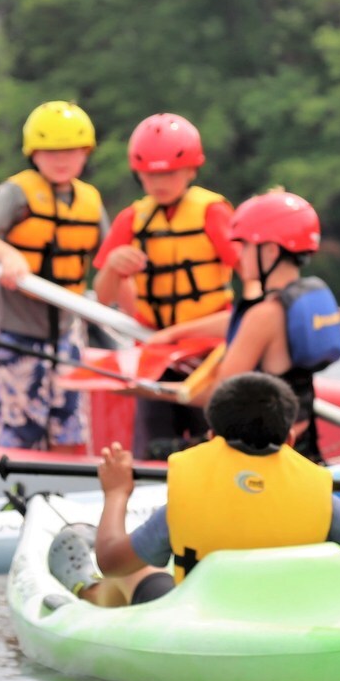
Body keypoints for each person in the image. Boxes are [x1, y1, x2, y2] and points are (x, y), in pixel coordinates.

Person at [72, 372, 340, 605]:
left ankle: (89, 593)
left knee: (139, 572)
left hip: (199, 626)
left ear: (212, 436)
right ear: (290, 439)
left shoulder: (189, 497)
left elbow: (112, 561)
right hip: (288, 631)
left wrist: (116, 493)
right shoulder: (320, 499)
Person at [0, 101, 108, 451]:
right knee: (21, 432)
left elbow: (108, 259)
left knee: (70, 430)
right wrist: (8, 254)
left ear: (85, 153)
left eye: (71, 151)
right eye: (51, 151)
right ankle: (20, 485)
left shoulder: (89, 200)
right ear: (33, 154)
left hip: (67, 334)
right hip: (18, 334)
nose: (61, 160)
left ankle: (65, 483)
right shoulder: (17, 192)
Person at [91, 113, 239, 459]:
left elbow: (251, 282)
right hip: (154, 356)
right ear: (138, 174)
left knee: (211, 441)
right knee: (153, 446)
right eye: (151, 175)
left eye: (170, 173)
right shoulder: (132, 218)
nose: (160, 182)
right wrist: (112, 267)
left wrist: (177, 334)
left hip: (207, 353)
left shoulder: (212, 212)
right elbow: (103, 296)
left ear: (191, 171)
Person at [183, 190, 340, 462]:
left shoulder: (264, 316)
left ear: (270, 250)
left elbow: (217, 398)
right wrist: (175, 333)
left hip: (264, 453)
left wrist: (152, 390)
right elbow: (235, 322)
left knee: (160, 449)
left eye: (246, 245)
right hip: (304, 445)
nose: (240, 254)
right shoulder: (295, 302)